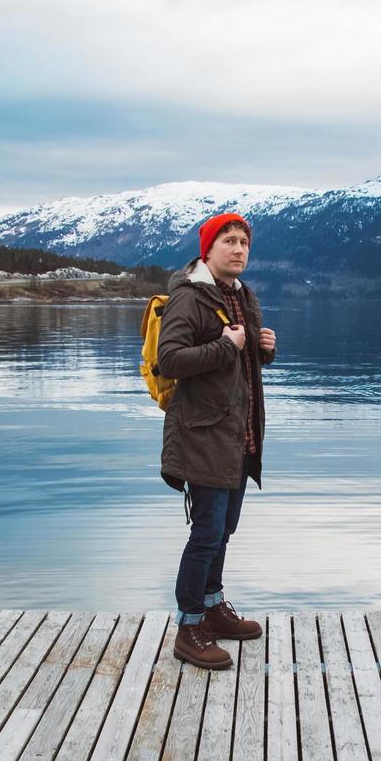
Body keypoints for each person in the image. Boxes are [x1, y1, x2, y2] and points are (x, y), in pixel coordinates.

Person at [156, 212, 276, 669]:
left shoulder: (244, 297)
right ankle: (189, 627)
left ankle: (212, 605)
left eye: (244, 241)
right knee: (206, 534)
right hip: (203, 437)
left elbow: (237, 370)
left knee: (223, 531)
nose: (239, 249)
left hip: (239, 438)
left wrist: (263, 352)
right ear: (208, 250)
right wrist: (226, 346)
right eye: (229, 241)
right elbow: (170, 360)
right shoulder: (189, 298)